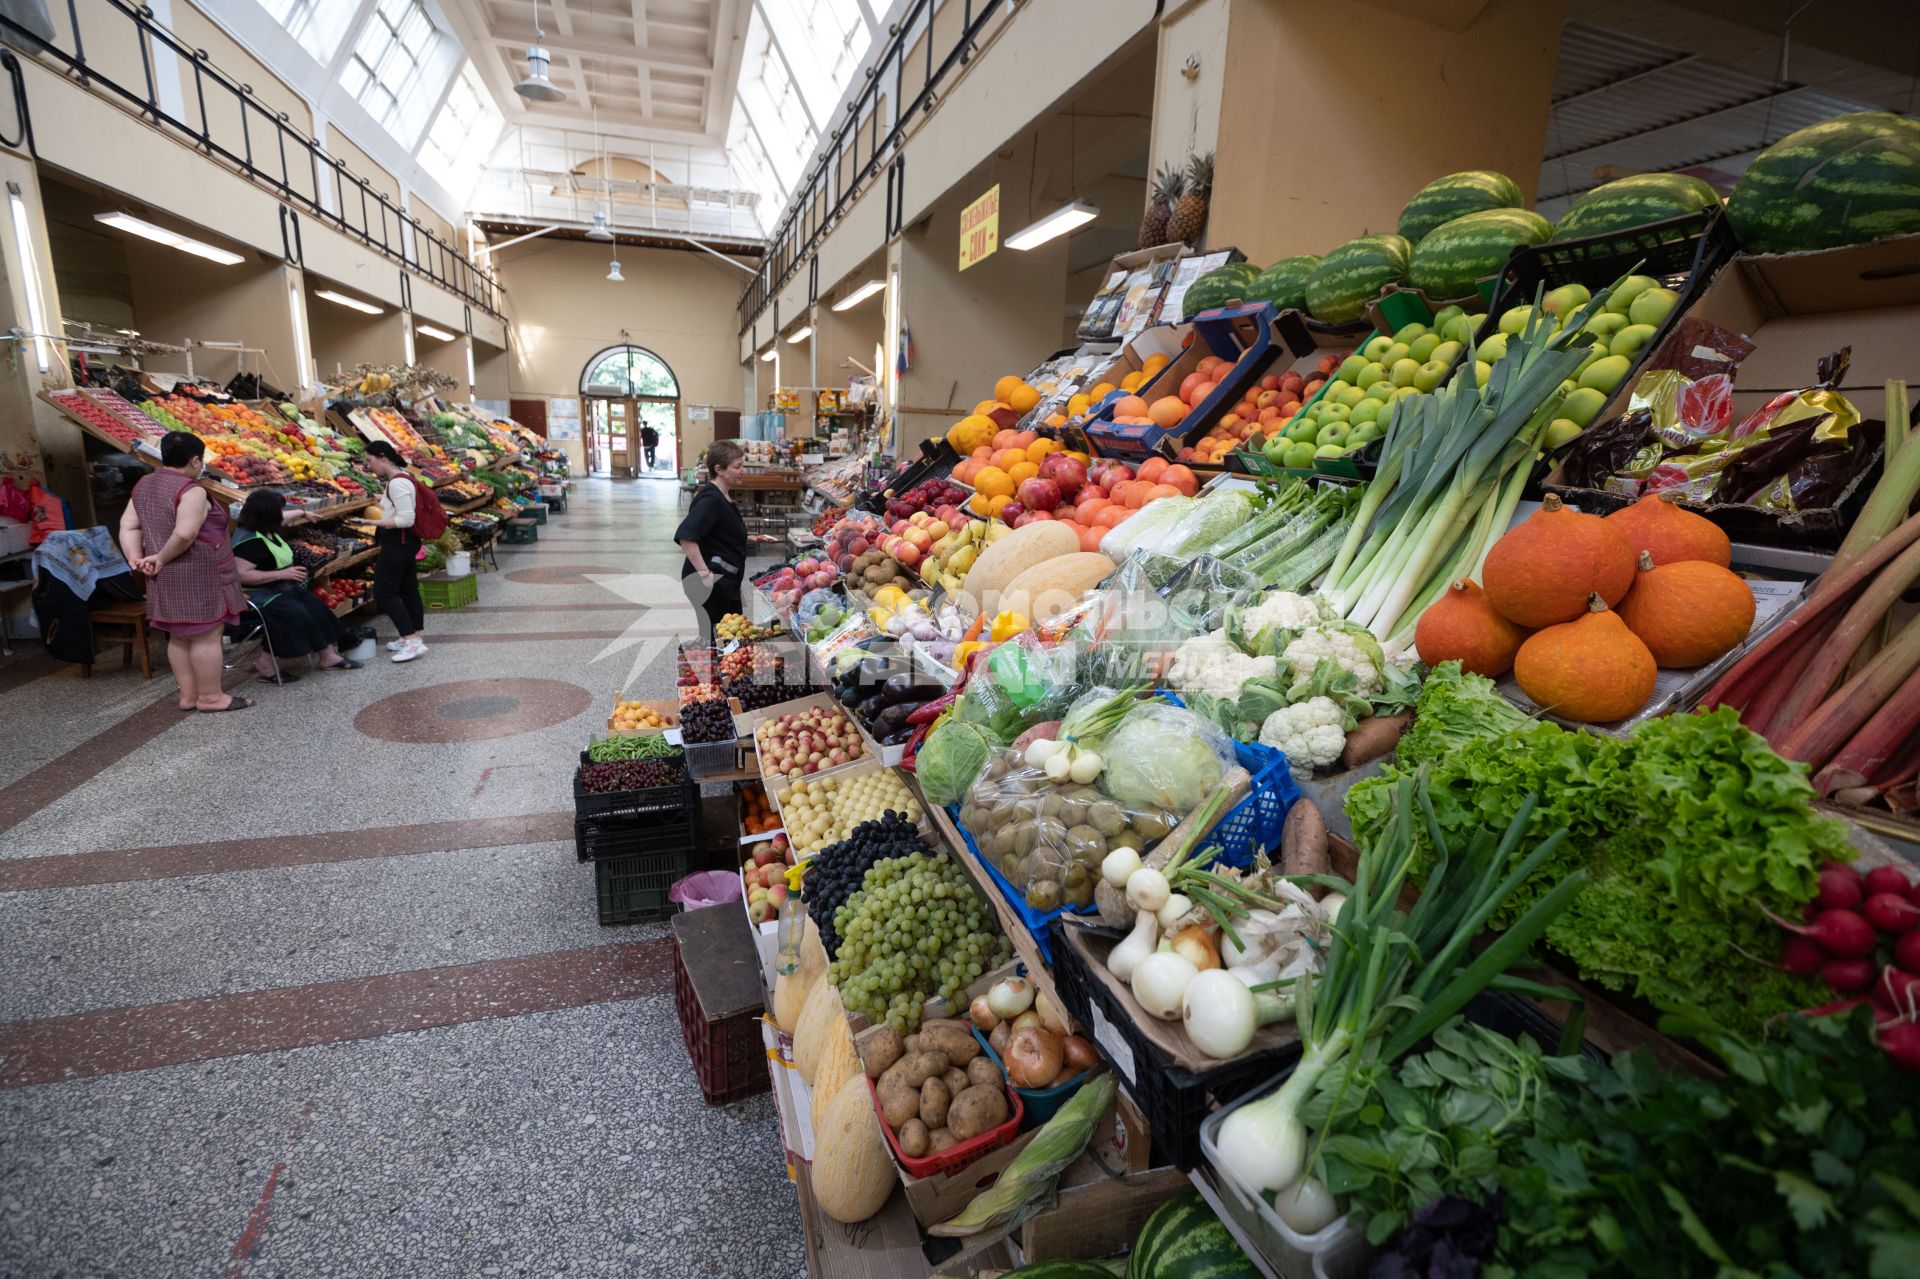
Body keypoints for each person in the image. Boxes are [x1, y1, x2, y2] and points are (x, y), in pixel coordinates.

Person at [117, 431, 252, 712]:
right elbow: (185, 534)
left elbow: (129, 525)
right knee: (206, 635)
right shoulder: (191, 490)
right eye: (200, 462)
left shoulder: (144, 485)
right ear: (194, 461)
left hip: (162, 575)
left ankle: (189, 697)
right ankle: (211, 697)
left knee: (178, 636)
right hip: (197, 572)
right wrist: (162, 558)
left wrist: (136, 558)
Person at [231, 489, 362, 683]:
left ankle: (327, 656)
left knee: (316, 607)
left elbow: (284, 516)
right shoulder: (250, 542)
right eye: (279, 510)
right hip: (259, 596)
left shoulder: (264, 525)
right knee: (296, 615)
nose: (282, 514)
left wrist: (303, 513)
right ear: (268, 514)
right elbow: (240, 575)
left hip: (283, 589)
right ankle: (266, 663)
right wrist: (281, 573)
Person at [675, 440, 749, 645]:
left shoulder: (722, 497)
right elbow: (686, 536)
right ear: (719, 469)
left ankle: (715, 671)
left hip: (722, 580)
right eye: (737, 467)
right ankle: (709, 674)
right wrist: (705, 575)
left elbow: (720, 537)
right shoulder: (711, 500)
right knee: (720, 638)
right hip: (707, 582)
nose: (743, 471)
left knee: (728, 634)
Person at [363, 440, 427, 663]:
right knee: (408, 589)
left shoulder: (397, 483)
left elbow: (406, 518)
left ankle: (411, 641)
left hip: (398, 543)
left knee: (384, 593)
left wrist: (373, 522)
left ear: (383, 457)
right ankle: (414, 634)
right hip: (407, 543)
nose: (370, 466)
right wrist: (384, 500)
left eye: (370, 460)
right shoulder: (405, 476)